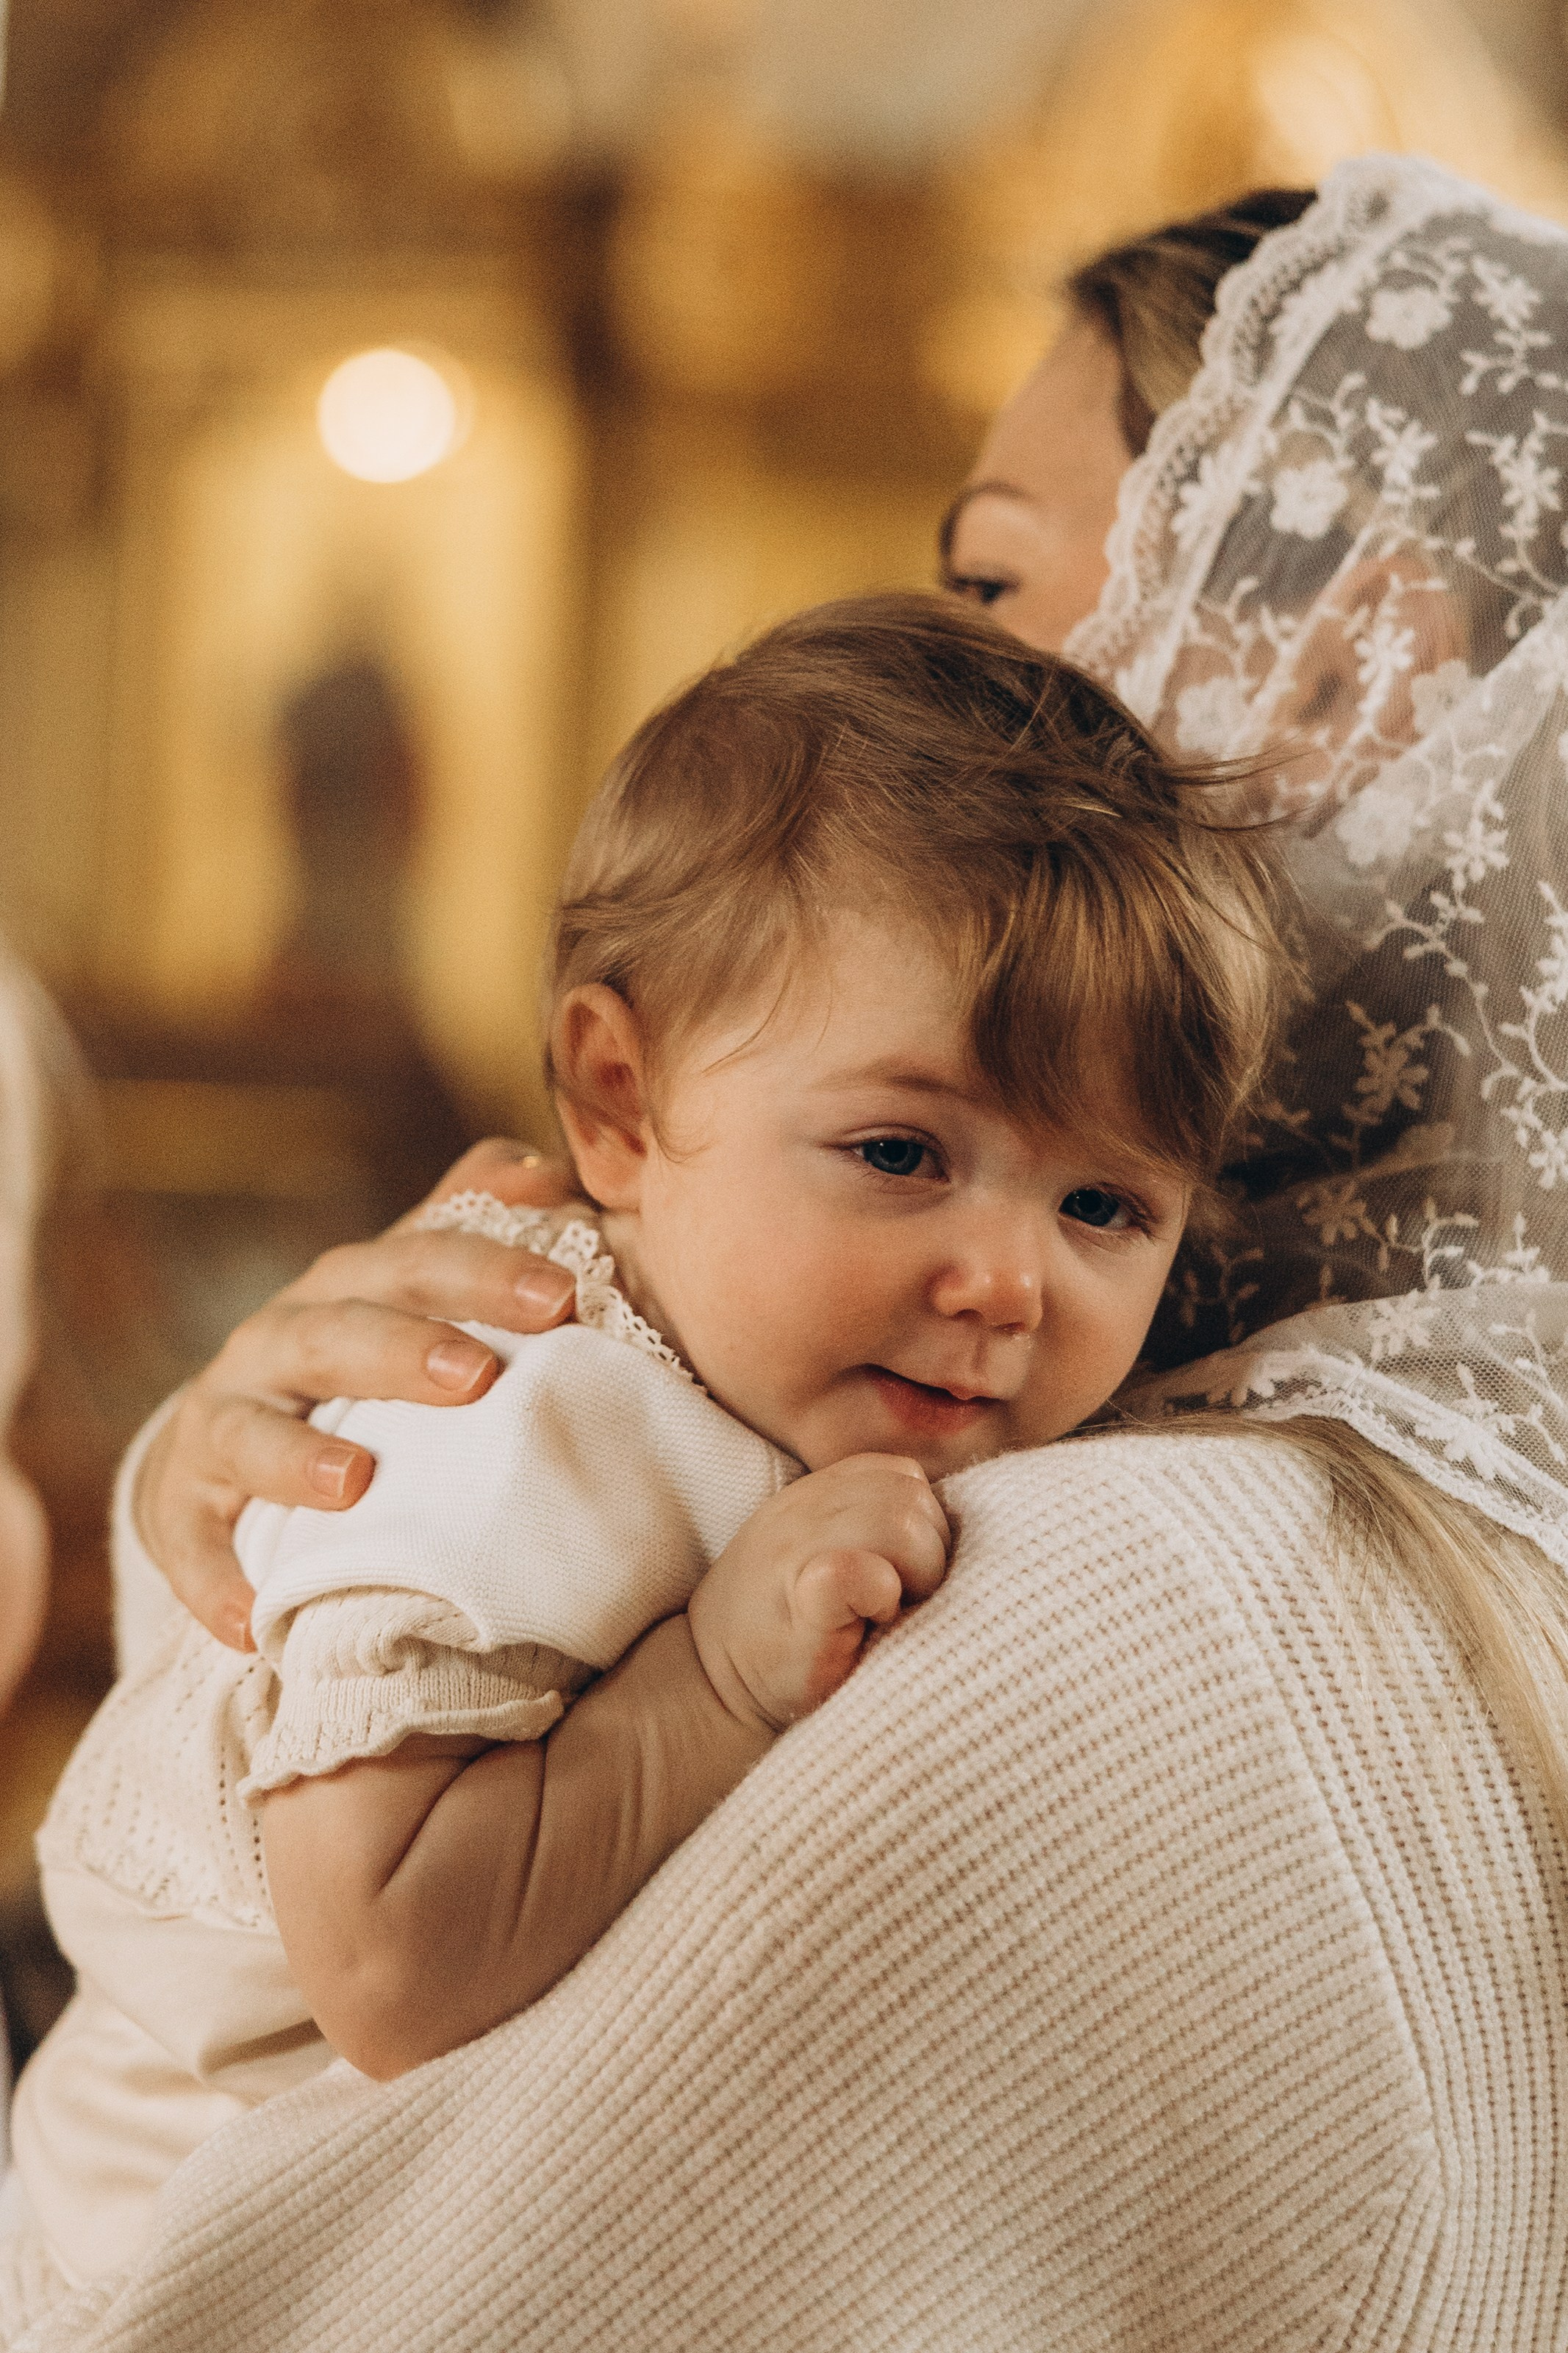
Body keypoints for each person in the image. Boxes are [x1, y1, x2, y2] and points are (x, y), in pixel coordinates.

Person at [19, 154, 1568, 2351]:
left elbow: (386, 2271)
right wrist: (238, 1505)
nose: (954, 696)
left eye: (996, 588)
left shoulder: (1131, 1608)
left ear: (1350, 660)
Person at [0, 595, 1285, 2307]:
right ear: (614, 1102)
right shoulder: (521, 1406)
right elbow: (382, 1956)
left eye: (1102, 1204)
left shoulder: (844, 1406)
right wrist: (713, 1686)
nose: (1003, 1280)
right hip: (142, 2244)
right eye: (900, 1150)